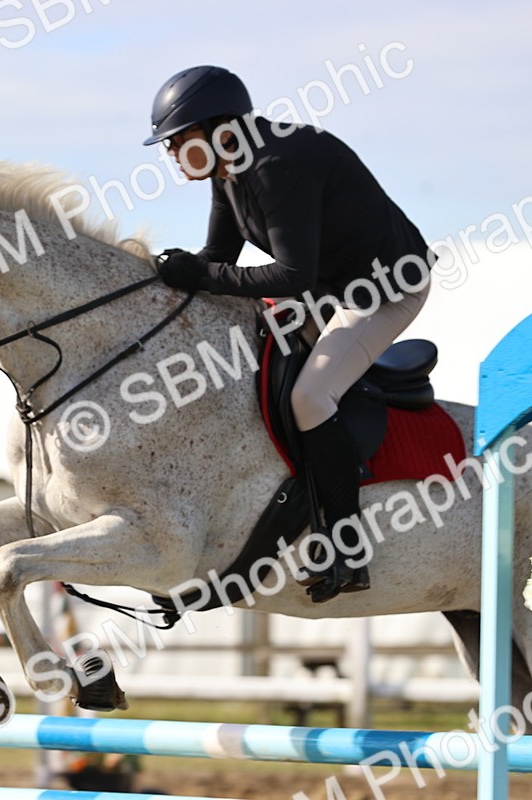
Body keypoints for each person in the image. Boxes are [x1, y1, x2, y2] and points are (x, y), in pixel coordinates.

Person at [143, 66, 433, 603]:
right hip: (330, 288)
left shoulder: (277, 166)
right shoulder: (229, 171)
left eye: (178, 141)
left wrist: (200, 274)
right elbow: (218, 261)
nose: (172, 155)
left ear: (217, 129)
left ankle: (348, 550)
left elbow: (291, 275)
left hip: (385, 288)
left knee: (309, 395)